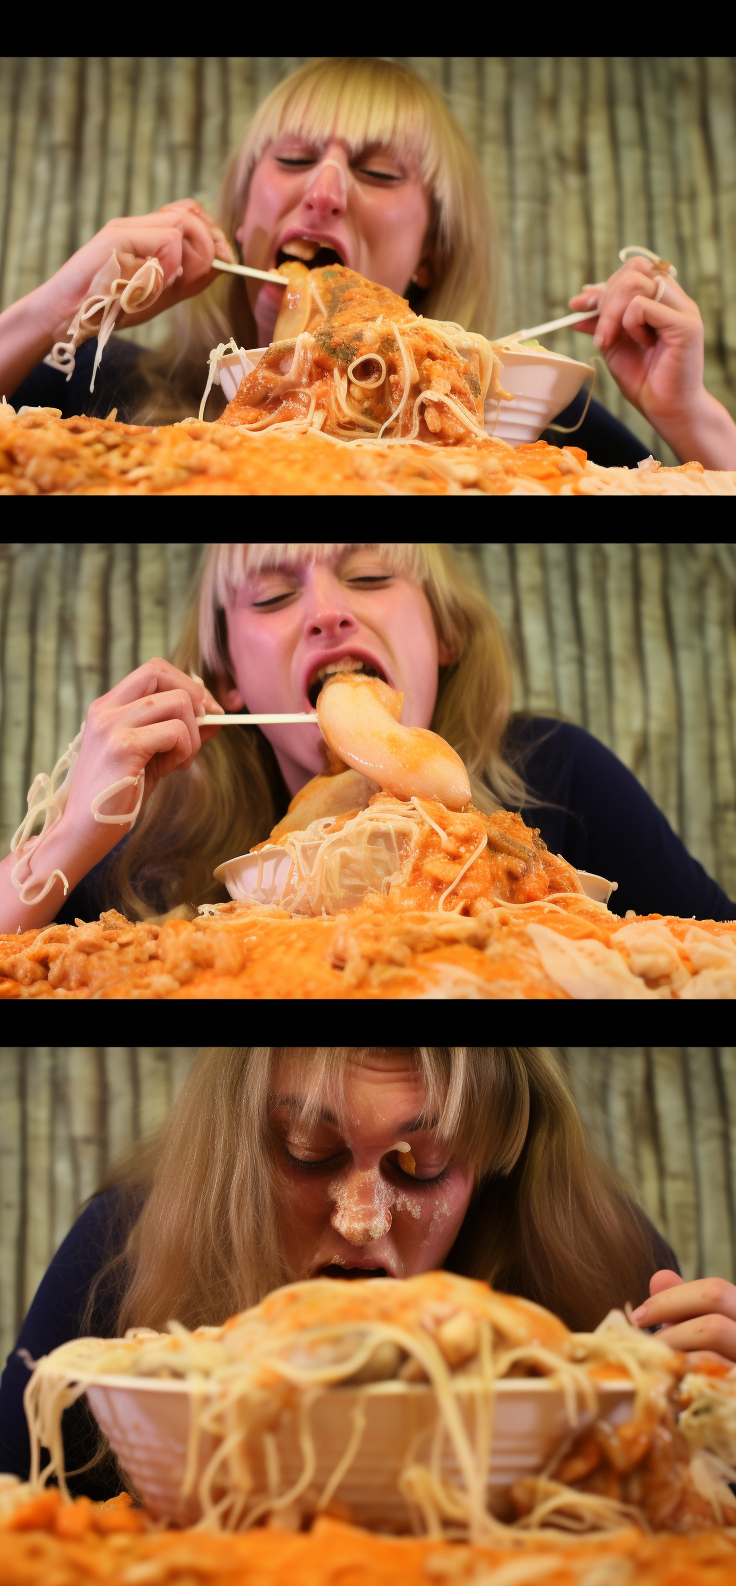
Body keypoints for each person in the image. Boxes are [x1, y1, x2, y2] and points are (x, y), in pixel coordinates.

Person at [5, 1044, 733, 1501]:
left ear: (491, 1171)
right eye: (308, 1150)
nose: (363, 1220)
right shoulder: (117, 1253)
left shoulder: (608, 1265)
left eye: (423, 1168)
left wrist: (714, 1430)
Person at [3, 58, 735, 468]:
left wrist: (690, 415)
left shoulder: (531, 414)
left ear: (429, 257)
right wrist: (56, 309)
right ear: (242, 215)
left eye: (380, 174)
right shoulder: (99, 387)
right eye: (293, 159)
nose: (323, 193)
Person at [1, 543, 734, 934]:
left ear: (445, 632)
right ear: (227, 681)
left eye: (372, 573)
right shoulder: (147, 842)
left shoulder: (561, 779)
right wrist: (72, 830)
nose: (326, 611)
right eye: (274, 595)